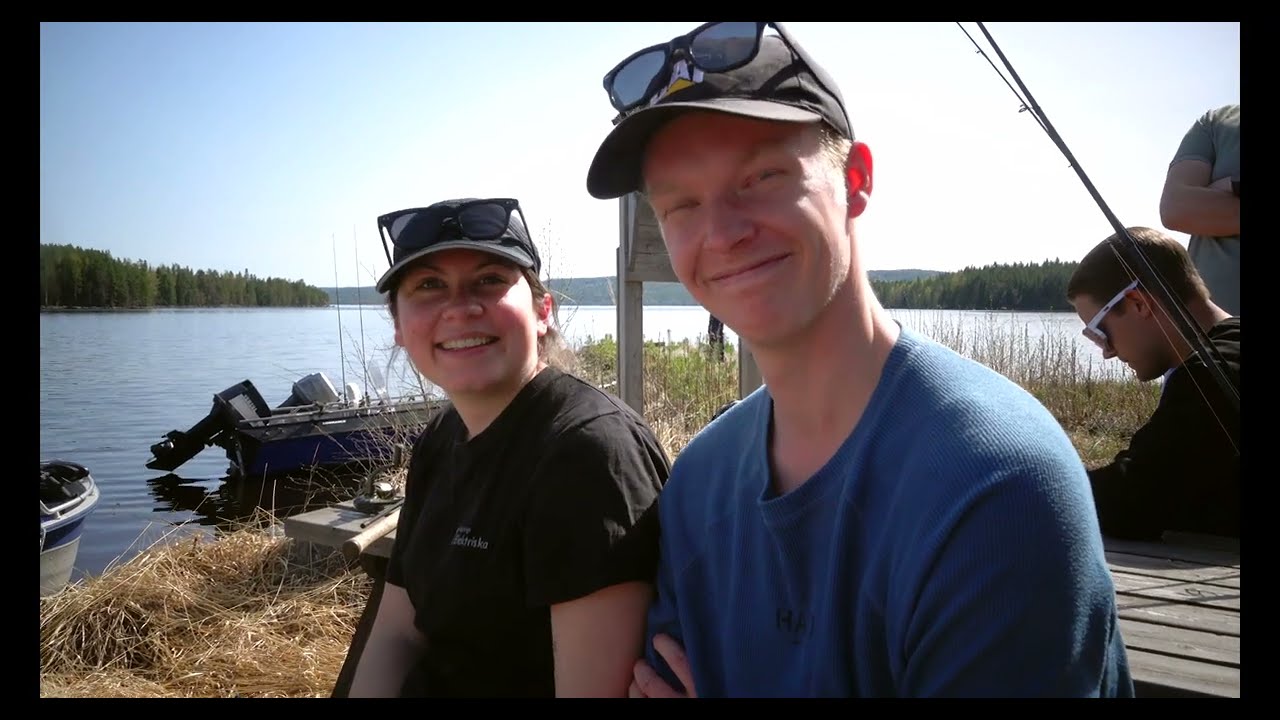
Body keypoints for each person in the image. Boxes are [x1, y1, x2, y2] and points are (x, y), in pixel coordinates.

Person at [586, 22, 1134, 698]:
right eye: (681, 205)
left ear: (856, 179)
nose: (722, 233)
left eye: (762, 177)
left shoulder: (992, 484)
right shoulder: (700, 482)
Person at [344, 197, 671, 697]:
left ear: (543, 311)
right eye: (429, 286)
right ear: (398, 327)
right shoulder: (442, 436)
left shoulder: (587, 454)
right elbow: (397, 633)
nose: (460, 308)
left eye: (489, 280)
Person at [1066, 226, 1240, 542]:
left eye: (1100, 333)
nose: (1107, 352)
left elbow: (1131, 499)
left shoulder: (1211, 375)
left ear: (1137, 303)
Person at [1159, 103, 1239, 316]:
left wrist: (1225, 188)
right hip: (1213, 332)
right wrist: (1235, 184)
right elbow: (1176, 208)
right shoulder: (1215, 122)